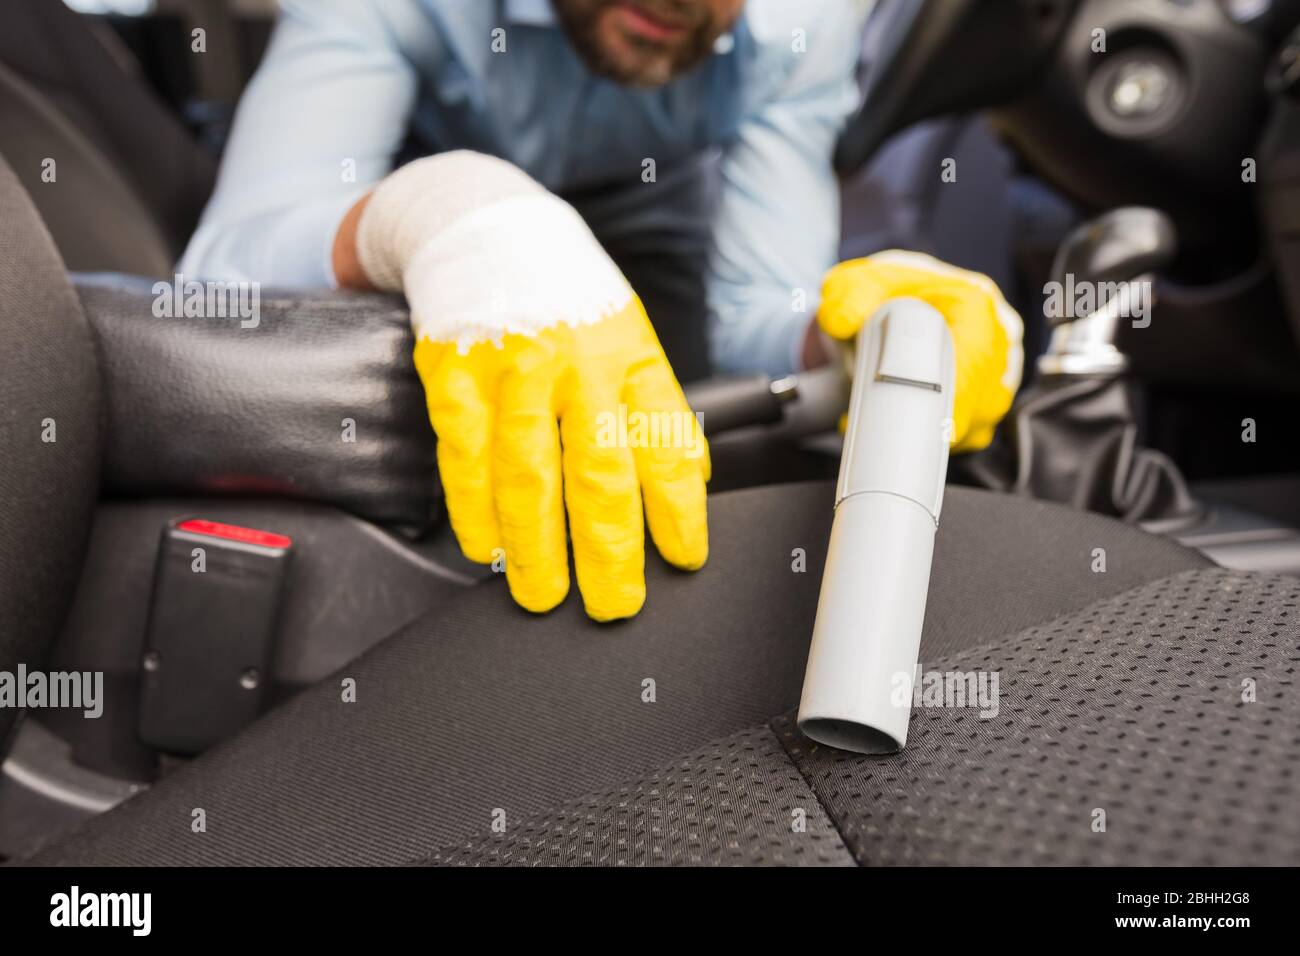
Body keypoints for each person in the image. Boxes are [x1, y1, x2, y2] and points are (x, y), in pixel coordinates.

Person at [178, 0, 1022, 622]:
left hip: (655, 215)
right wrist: (450, 214)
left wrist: (858, 333)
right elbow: (219, 276)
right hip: (409, 187)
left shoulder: (803, 22)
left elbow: (755, 316)